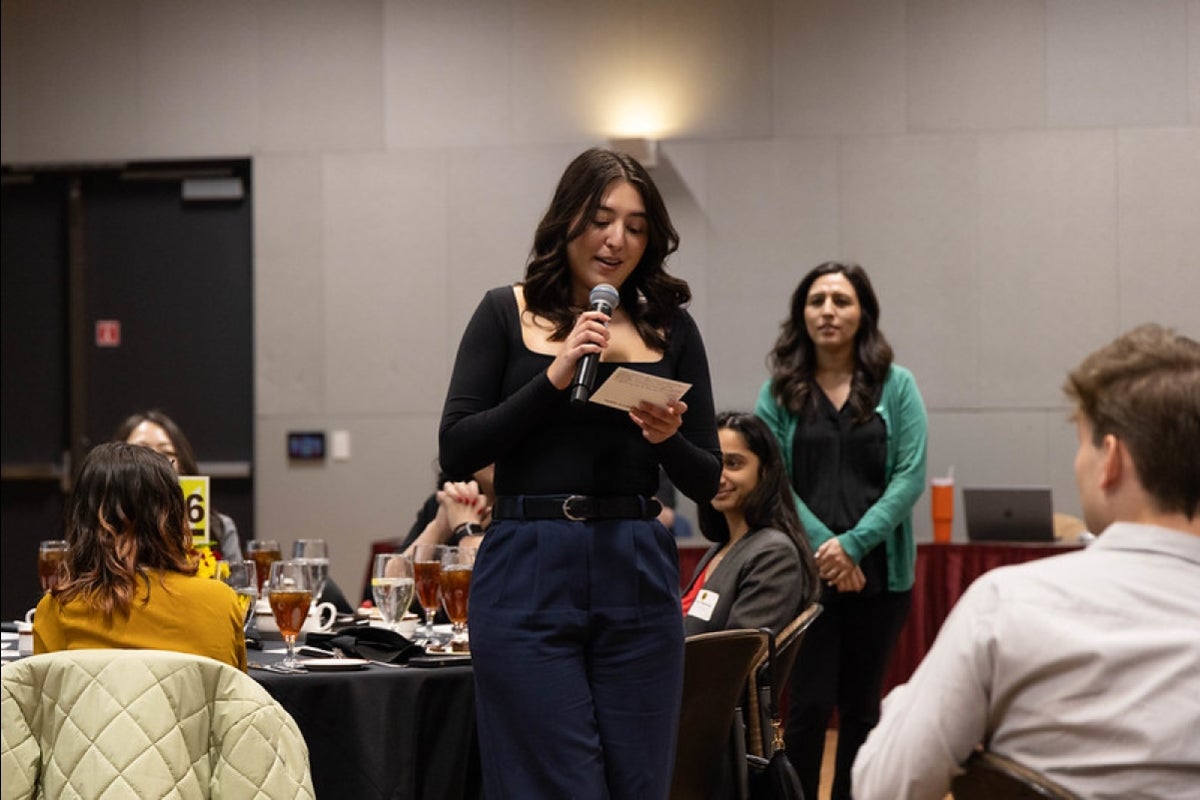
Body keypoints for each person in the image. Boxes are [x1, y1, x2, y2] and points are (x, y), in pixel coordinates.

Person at [438, 147, 721, 798]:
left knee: (639, 783)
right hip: (528, 563)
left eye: (636, 226)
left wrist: (668, 440)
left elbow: (706, 480)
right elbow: (456, 449)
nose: (617, 239)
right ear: (567, 220)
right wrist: (556, 375)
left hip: (637, 565)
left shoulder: (669, 328)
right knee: (553, 785)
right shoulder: (504, 314)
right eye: (601, 218)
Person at [853, 323, 1200, 799]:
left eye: (1082, 443)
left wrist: (906, 708)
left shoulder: (1005, 605)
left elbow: (884, 788)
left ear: (1112, 459)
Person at [755, 261, 928, 800]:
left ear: (863, 313)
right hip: (806, 576)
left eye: (842, 300)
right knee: (806, 707)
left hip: (881, 575)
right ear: (801, 314)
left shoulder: (897, 386)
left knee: (861, 708)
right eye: (817, 300)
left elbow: (910, 475)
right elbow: (773, 477)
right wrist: (829, 553)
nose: (828, 311)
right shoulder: (779, 391)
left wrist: (852, 546)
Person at [33, 441, 247, 670]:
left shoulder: (56, 610)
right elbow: (235, 698)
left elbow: (46, 702)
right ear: (174, 517)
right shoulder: (221, 603)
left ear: (83, 522)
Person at [682, 411, 819, 636]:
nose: (719, 476)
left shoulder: (774, 552)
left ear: (765, 472)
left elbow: (737, 658)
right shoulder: (722, 547)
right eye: (713, 463)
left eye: (733, 464)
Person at [113, 410, 243, 565]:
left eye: (166, 453)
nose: (156, 461)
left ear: (182, 465)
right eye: (142, 450)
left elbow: (237, 587)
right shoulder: (102, 526)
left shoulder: (220, 527)